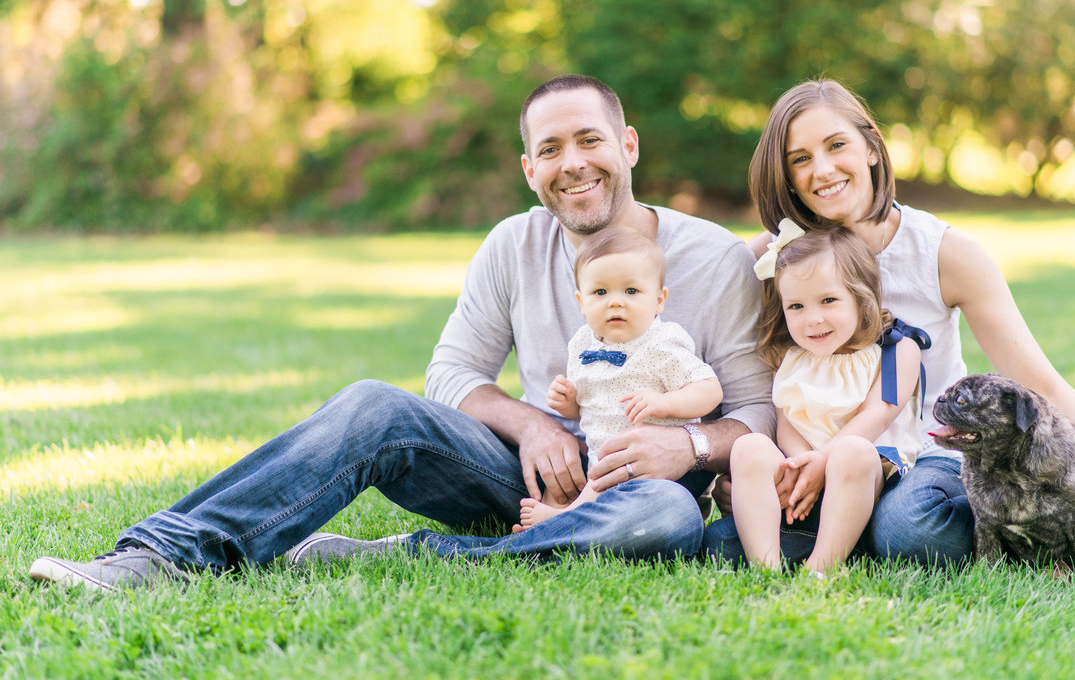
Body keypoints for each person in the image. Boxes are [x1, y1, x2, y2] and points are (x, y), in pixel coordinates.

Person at [30, 74, 774, 590]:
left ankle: (398, 555)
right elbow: (450, 375)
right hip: (526, 480)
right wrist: (531, 424)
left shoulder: (710, 257)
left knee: (671, 517)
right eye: (549, 151)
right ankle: (160, 554)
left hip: (645, 491)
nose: (571, 164)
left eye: (588, 140)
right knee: (370, 405)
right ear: (527, 167)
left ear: (629, 145)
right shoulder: (512, 245)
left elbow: (756, 411)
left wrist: (690, 444)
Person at [702, 78, 1075, 572]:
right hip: (807, 447)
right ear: (784, 174)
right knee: (721, 543)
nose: (821, 170)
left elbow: (1036, 382)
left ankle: (843, 532)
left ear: (871, 147)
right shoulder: (774, 258)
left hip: (925, 451)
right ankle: (833, 526)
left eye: (837, 145)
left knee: (910, 531)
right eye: (800, 158)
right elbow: (723, 365)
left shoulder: (945, 253)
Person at [730, 224, 923, 574]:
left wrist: (822, 462)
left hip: (866, 478)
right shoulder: (790, 357)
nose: (813, 319)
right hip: (802, 474)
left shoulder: (896, 348)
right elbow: (786, 422)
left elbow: (877, 415)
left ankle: (819, 569)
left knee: (852, 451)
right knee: (749, 447)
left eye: (829, 301)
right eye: (797, 306)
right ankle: (766, 565)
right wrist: (804, 466)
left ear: (861, 297)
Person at [515, 225, 724, 531]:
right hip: (601, 458)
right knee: (576, 482)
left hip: (653, 468)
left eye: (631, 291)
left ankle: (564, 521)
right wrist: (569, 402)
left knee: (599, 485)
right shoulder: (583, 344)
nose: (615, 301)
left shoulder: (661, 343)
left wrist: (665, 403)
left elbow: (710, 390)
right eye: (600, 292)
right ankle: (559, 522)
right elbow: (587, 408)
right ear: (581, 301)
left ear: (659, 299)